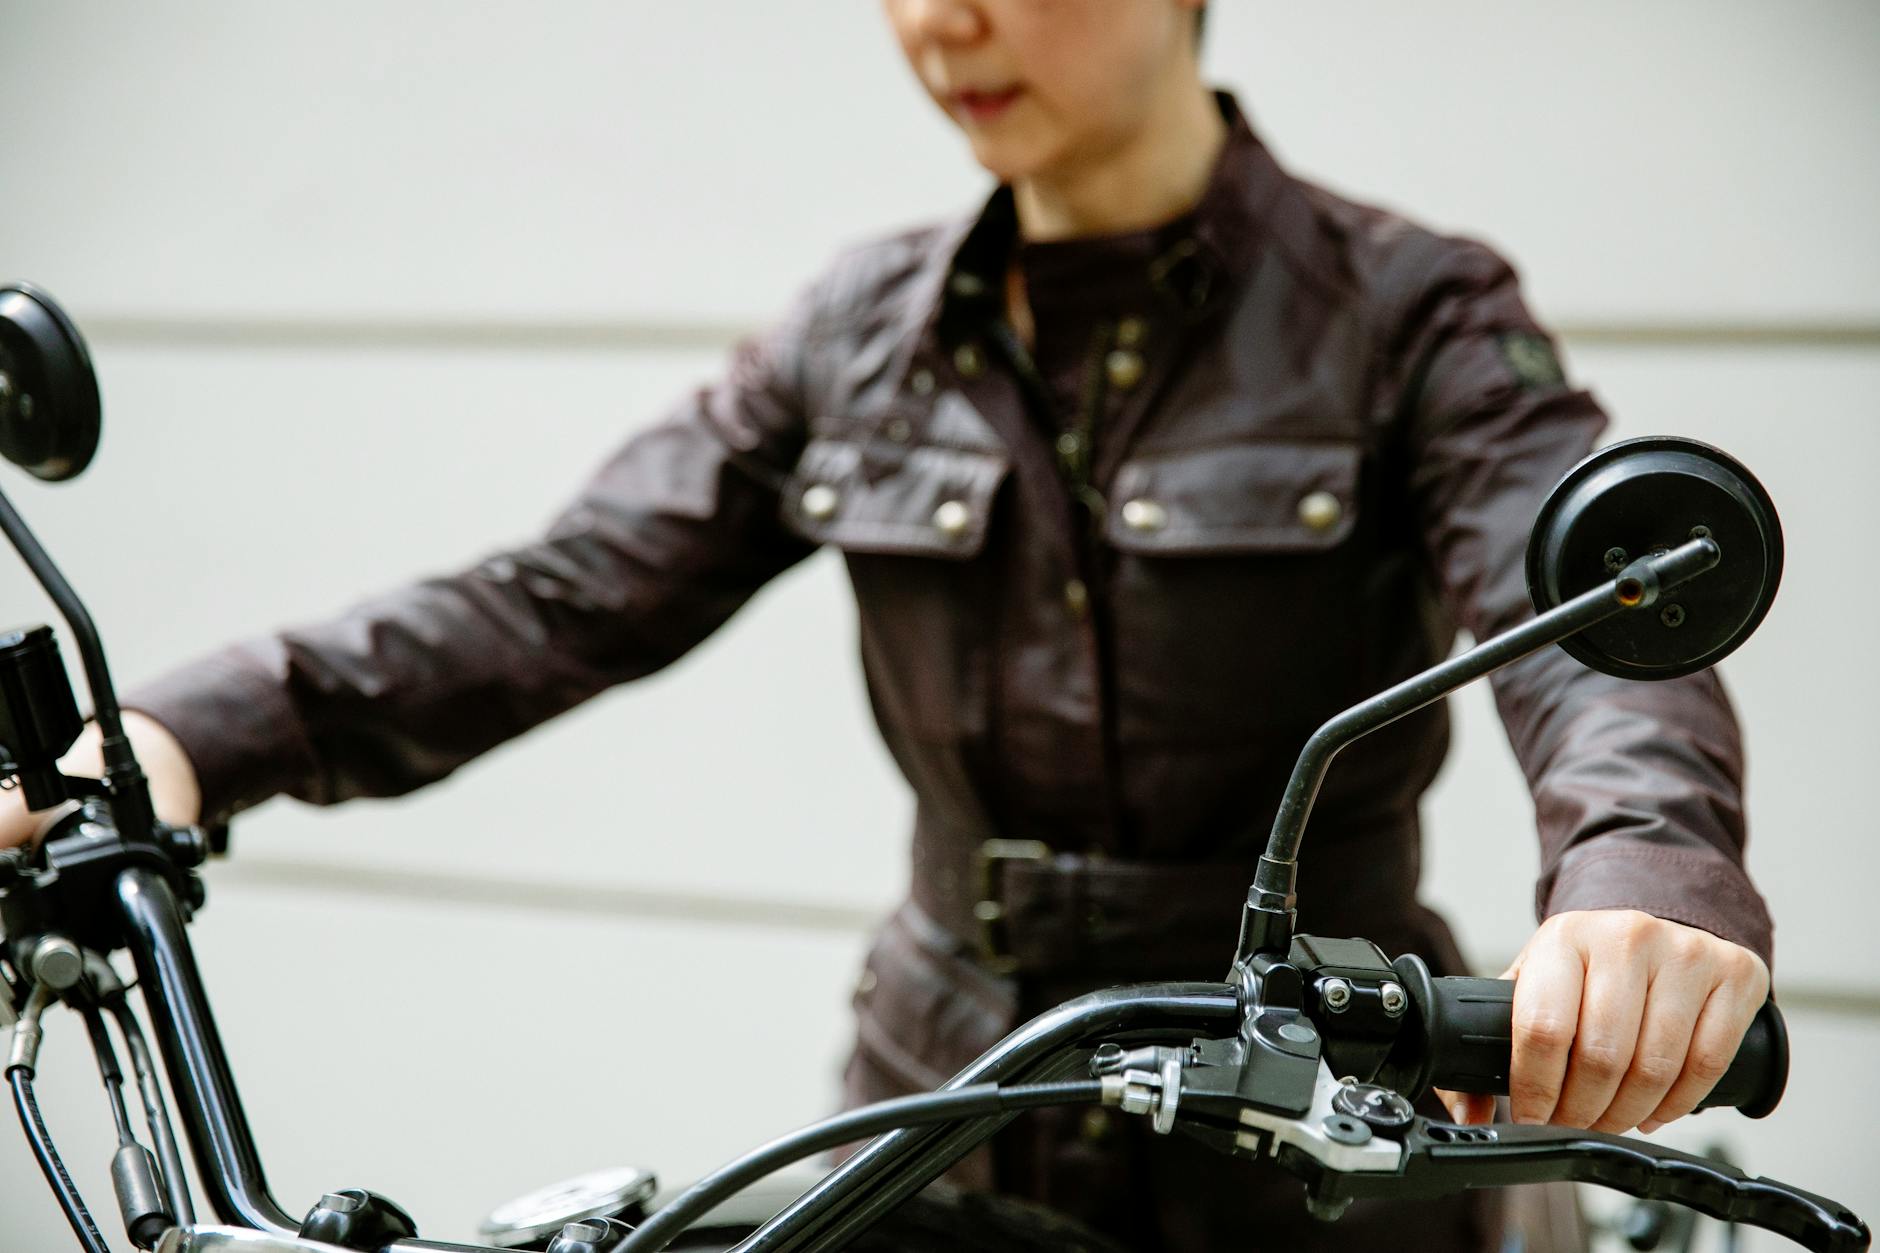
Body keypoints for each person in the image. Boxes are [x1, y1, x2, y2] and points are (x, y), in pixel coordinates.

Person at [3, 2, 1774, 1249]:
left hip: (1316, 1128)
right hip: (939, 1109)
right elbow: (558, 595)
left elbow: (1582, 620)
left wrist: (1640, 880)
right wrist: (178, 733)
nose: (946, 21)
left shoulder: (1409, 310)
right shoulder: (858, 328)